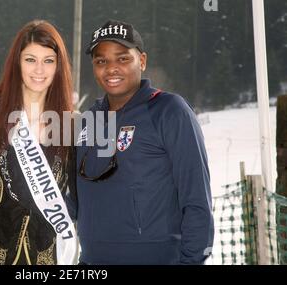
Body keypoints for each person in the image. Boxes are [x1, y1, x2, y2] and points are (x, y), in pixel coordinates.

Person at [76, 20, 214, 265]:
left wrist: (192, 261)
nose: (111, 69)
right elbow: (76, 198)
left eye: (122, 59)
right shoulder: (88, 121)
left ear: (142, 61)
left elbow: (196, 199)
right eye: (101, 61)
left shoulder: (169, 111)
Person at [0, 19, 78, 265]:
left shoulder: (72, 127)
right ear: (17, 63)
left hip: (47, 256)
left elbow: (80, 195)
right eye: (30, 59)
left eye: (48, 61)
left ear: (59, 67)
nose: (39, 70)